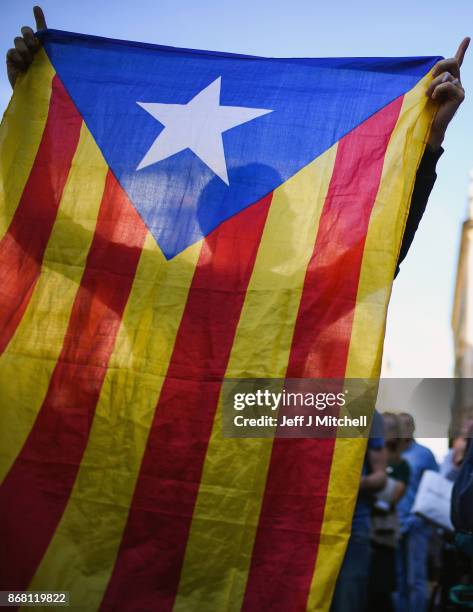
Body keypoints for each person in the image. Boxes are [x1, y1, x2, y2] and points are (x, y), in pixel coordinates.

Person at [331, 411, 387, 612]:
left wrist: (349, 484)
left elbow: (380, 475)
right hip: (306, 523)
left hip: (351, 524)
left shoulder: (369, 413)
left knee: (347, 597)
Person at [395, 413, 439, 612]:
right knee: (399, 577)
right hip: (395, 521)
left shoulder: (424, 454)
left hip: (417, 523)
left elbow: (435, 487)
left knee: (417, 578)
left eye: (407, 425)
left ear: (413, 428)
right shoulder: (391, 453)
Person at [368, 413, 410, 612]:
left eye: (391, 427)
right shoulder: (370, 458)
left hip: (384, 530)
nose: (386, 431)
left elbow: (394, 497)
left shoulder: (402, 466)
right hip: (367, 525)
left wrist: (372, 488)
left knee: (382, 585)